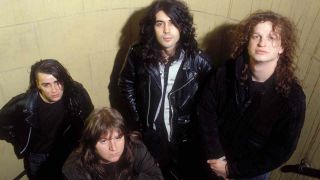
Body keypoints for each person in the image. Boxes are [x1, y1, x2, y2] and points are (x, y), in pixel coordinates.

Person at [197, 11, 306, 179]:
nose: (262, 43)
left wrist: (232, 170)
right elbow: (205, 111)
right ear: (247, 42)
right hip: (214, 160)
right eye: (256, 36)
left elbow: (281, 150)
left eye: (271, 37)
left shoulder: (292, 99)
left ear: (282, 47)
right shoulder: (225, 72)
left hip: (250, 172)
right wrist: (217, 157)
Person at [118, 0, 212, 179]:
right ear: (152, 27)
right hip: (150, 135)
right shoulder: (138, 54)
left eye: (173, 23)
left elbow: (209, 106)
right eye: (160, 23)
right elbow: (125, 84)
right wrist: (137, 120)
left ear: (182, 27)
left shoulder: (200, 62)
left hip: (183, 140)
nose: (166, 30)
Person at [0, 59, 94, 180]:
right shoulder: (22, 104)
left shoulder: (76, 92)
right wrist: (18, 138)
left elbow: (90, 117)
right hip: (38, 157)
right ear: (37, 84)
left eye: (58, 82)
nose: (54, 90)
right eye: (46, 85)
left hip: (68, 151)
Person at [62, 107, 164, 180]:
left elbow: (157, 177)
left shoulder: (136, 147)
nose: (114, 148)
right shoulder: (74, 168)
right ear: (91, 143)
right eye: (104, 141)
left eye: (118, 138)